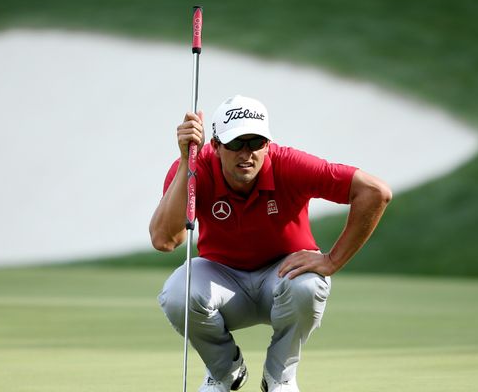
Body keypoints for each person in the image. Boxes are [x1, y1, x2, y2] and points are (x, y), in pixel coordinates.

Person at [150, 95, 392, 392]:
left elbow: (375, 192)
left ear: (268, 143)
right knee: (178, 292)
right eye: (236, 143)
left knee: (309, 285)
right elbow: (165, 240)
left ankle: (280, 377)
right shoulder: (193, 168)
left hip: (282, 281)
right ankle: (223, 372)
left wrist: (332, 260)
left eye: (256, 142)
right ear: (215, 145)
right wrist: (188, 162)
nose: (246, 153)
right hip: (222, 281)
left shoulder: (289, 164)